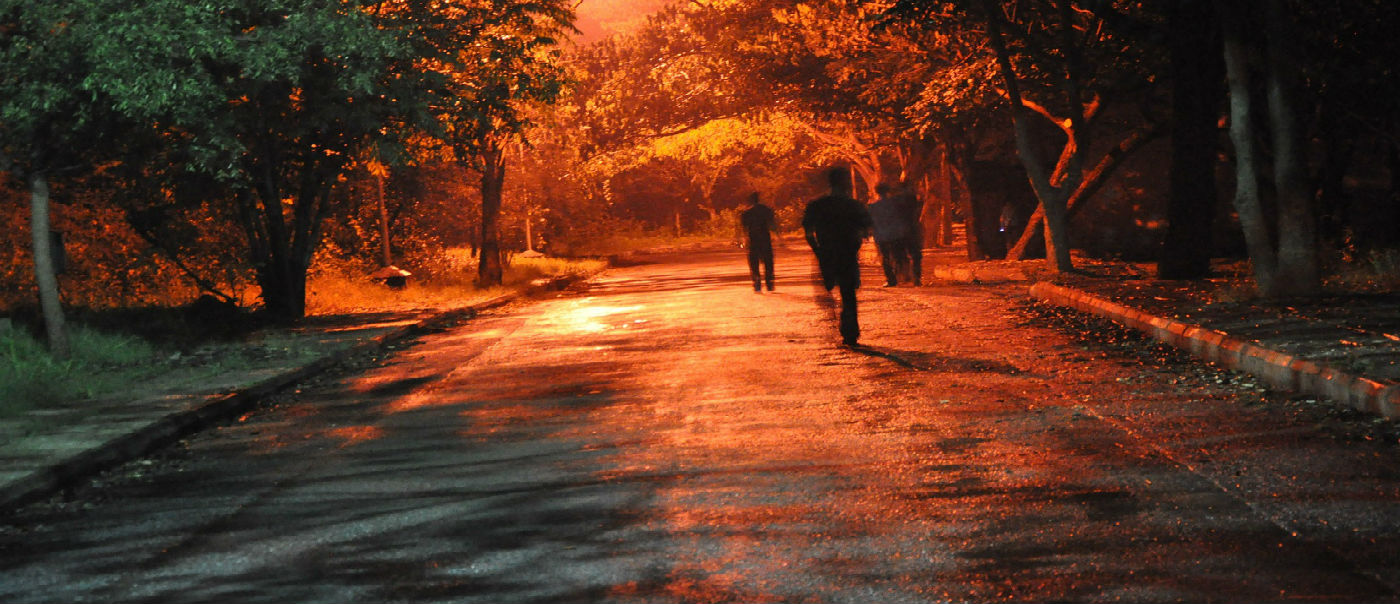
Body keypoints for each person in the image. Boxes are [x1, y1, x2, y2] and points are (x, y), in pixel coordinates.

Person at [802, 167, 872, 346]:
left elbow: (808, 233)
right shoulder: (853, 205)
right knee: (848, 294)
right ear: (845, 183)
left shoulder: (817, 205)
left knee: (827, 291)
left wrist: (817, 251)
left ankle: (838, 324)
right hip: (848, 254)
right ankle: (849, 331)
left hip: (826, 254)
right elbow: (867, 230)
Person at [868, 182, 912, 287]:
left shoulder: (873, 206)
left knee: (885, 257)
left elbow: (870, 222)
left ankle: (891, 280)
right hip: (896, 234)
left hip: (881, 235)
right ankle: (903, 277)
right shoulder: (896, 204)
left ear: (876, 192)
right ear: (888, 191)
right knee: (898, 255)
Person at [738, 192, 777, 292]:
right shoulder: (767, 210)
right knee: (768, 262)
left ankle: (757, 281)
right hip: (765, 239)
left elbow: (744, 229)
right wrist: (778, 236)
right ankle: (769, 283)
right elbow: (772, 225)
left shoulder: (746, 213)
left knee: (754, 262)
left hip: (752, 240)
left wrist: (742, 240)